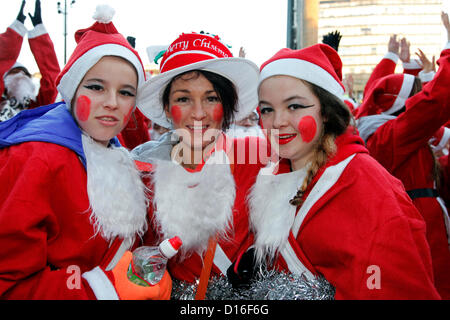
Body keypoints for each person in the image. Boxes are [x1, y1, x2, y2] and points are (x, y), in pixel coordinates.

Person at [228, 43, 441, 299]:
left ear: (327, 112)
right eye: (267, 109)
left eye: (294, 106)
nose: (277, 121)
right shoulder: (277, 172)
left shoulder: (369, 189)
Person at [0, 5, 171, 300]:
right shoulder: (36, 158)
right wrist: (101, 288)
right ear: (72, 90)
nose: (112, 102)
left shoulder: (117, 155)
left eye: (126, 92)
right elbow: (9, 286)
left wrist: (145, 273)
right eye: (96, 87)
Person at [132, 32, 269, 284]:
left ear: (227, 106)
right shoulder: (142, 175)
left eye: (211, 98)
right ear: (166, 107)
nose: (198, 113)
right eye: (183, 99)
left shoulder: (257, 158)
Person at [354, 12, 450, 299]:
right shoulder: (391, 136)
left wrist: (401, 65)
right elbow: (434, 103)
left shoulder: (379, 130)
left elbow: (382, 96)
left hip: (415, 218)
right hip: (420, 224)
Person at [0, 0, 60, 121]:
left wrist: (39, 29)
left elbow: (52, 77)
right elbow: (2, 60)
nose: (20, 76)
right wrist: (16, 30)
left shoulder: (37, 109)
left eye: (25, 74)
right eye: (15, 72)